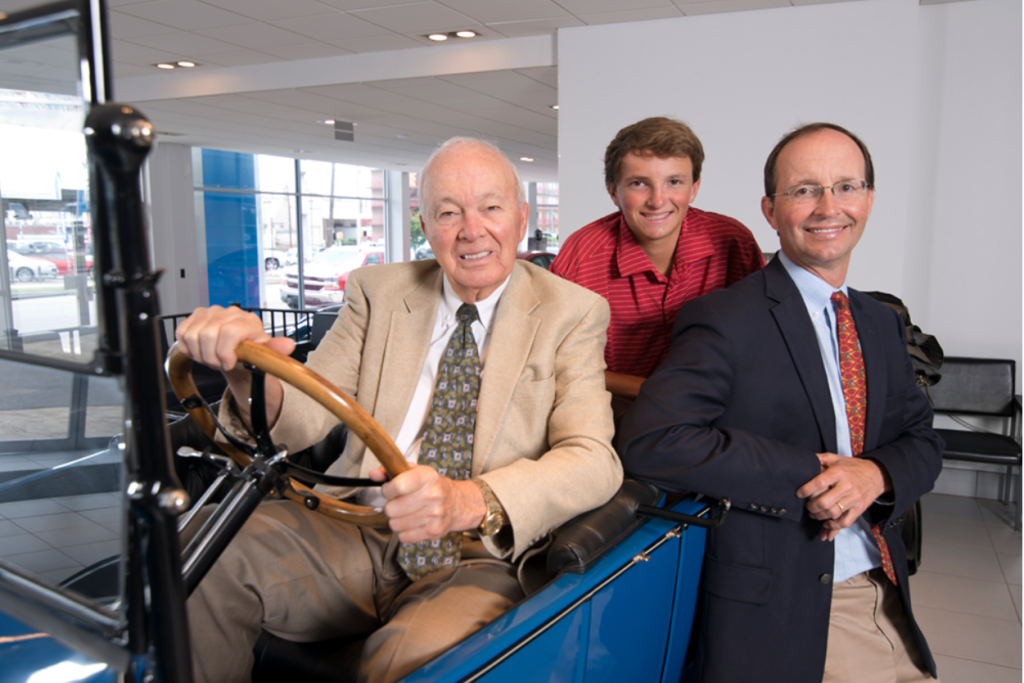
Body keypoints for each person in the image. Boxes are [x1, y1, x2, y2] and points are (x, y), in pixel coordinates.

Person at [175, 137, 622, 683]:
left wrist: (466, 500)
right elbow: (303, 419)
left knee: (401, 665)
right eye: (448, 212)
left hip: (473, 554)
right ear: (426, 224)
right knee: (202, 549)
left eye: (491, 207)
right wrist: (246, 371)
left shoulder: (572, 312)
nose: (471, 229)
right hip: (355, 526)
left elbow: (593, 457)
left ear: (522, 217)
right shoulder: (379, 292)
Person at [617, 123, 943, 682]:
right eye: (804, 190)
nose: (828, 206)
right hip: (791, 603)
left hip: (885, 588)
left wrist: (875, 476)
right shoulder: (724, 319)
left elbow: (923, 440)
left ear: (867, 200)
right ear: (770, 210)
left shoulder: (879, 321)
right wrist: (810, 475)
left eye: (846, 186)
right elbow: (652, 440)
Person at [550, 117, 765, 400]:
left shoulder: (734, 241)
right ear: (614, 191)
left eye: (674, 182)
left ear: (694, 187)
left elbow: (761, 341)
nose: (657, 200)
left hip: (716, 408)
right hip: (615, 416)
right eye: (639, 183)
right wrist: (659, 392)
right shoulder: (580, 256)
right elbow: (554, 363)